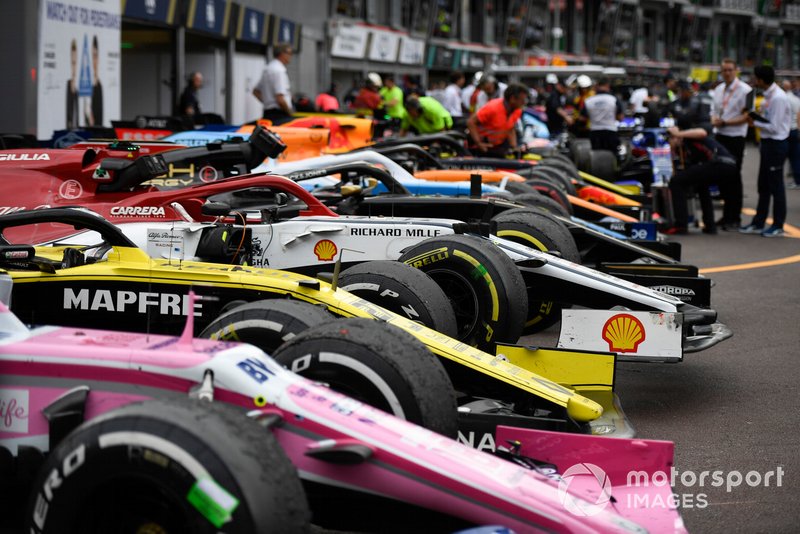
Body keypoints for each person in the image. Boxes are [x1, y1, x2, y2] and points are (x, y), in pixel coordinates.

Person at [740, 65, 792, 237]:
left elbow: (775, 127)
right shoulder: (768, 95)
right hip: (767, 143)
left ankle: (778, 224)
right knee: (763, 185)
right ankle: (758, 222)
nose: (754, 81)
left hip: (776, 144)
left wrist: (754, 123)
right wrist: (755, 116)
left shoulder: (778, 97)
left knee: (776, 186)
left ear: (761, 80)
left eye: (755, 78)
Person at [664, 119, 739, 235]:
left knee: (676, 182)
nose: (670, 142)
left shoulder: (689, 137)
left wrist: (678, 134)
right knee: (701, 185)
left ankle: (680, 225)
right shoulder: (685, 150)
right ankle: (710, 225)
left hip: (722, 163)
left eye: (671, 139)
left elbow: (702, 132)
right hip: (724, 166)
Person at [710, 58, 751, 229]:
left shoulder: (746, 90)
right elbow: (713, 110)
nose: (727, 73)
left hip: (735, 137)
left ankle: (734, 217)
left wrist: (726, 123)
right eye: (724, 70)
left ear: (736, 71)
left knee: (734, 177)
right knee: (722, 177)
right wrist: (714, 120)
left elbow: (748, 116)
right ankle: (726, 215)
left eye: (730, 70)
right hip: (720, 136)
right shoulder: (719, 89)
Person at [466, 82, 528, 157]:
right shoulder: (493, 108)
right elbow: (471, 122)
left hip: (496, 147)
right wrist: (479, 143)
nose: (524, 102)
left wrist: (514, 147)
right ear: (512, 99)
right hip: (481, 149)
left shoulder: (517, 110)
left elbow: (510, 129)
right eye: (522, 100)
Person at [253, 43, 294, 125]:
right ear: (282, 54)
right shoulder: (279, 71)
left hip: (268, 113)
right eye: (289, 53)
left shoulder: (268, 68)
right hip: (279, 115)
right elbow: (280, 99)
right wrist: (290, 113)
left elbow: (256, 91)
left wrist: (268, 102)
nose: (290, 56)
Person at [580, 77, 623, 152]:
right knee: (612, 158)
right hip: (610, 132)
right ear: (607, 86)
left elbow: (582, 118)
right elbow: (620, 117)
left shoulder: (588, 101)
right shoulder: (614, 99)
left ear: (597, 86)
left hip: (595, 133)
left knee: (596, 158)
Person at [782, 79, 800, 189]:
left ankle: (797, 180)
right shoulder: (796, 99)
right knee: (795, 157)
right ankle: (797, 179)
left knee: (788, 157)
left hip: (788, 131)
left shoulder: (784, 98)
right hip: (795, 130)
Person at [86, 35, 103, 127]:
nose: (94, 60)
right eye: (92, 56)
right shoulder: (87, 84)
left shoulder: (99, 86)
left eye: (96, 56)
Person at [66, 38, 78, 129]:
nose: (74, 67)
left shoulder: (77, 89)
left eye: (75, 63)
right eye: (72, 63)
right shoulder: (67, 86)